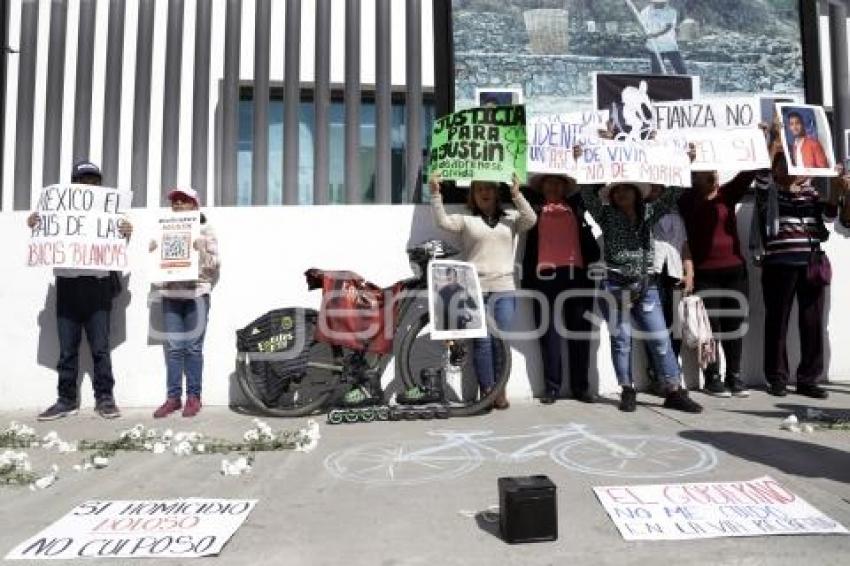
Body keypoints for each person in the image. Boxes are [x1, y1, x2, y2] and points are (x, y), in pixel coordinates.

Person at [581, 176, 703, 414]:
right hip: (615, 286)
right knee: (621, 341)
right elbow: (587, 195)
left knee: (660, 339)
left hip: (646, 286)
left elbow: (672, 196)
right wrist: (581, 165)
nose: (621, 194)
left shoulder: (649, 212)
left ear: (637, 194)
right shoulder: (606, 215)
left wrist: (683, 165)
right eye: (616, 191)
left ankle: (673, 391)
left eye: (627, 189)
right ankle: (627, 389)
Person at [27, 161, 133, 420]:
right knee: (66, 349)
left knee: (100, 348)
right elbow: (46, 233)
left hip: (97, 285)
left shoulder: (110, 212)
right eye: (83, 180)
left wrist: (125, 232)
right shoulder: (57, 208)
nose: (88, 185)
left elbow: (115, 245)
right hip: (67, 285)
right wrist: (37, 224)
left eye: (93, 180)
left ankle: (105, 399)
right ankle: (66, 400)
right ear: (73, 184)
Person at [430, 172, 537, 410]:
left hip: (505, 289)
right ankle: (487, 391)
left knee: (501, 342)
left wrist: (517, 194)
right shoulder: (467, 220)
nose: (485, 193)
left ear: (496, 192)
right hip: (475, 289)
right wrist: (436, 193)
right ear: (473, 195)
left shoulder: (510, 218)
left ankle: (500, 390)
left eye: (489, 188)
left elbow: (531, 219)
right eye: (480, 189)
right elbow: (443, 222)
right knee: (482, 342)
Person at [755, 153, 838, 399]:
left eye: (794, 162)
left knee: (813, 324)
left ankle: (808, 379)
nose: (791, 168)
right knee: (777, 322)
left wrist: (835, 187)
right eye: (784, 164)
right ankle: (777, 379)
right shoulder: (769, 192)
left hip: (810, 264)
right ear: (777, 169)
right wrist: (772, 139)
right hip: (779, 264)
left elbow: (830, 215)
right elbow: (761, 177)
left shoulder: (810, 193)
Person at [678, 170, 760, 398]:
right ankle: (712, 376)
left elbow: (747, 174)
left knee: (734, 324)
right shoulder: (687, 199)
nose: (710, 174)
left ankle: (734, 375)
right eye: (703, 172)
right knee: (709, 327)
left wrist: (766, 139)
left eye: (711, 171)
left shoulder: (727, 194)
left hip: (735, 272)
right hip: (705, 273)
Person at [521, 173, 600, 405]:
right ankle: (552, 387)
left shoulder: (577, 206)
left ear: (566, 188)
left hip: (577, 275)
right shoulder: (533, 207)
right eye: (549, 182)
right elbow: (514, 192)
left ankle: (580, 387)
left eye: (559, 183)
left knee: (580, 332)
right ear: (541, 187)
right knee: (549, 334)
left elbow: (594, 183)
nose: (553, 186)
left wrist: (578, 163)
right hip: (545, 277)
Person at [149, 187, 220, 418]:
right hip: (171, 296)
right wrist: (153, 252)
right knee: (174, 349)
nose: (178, 204)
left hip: (196, 295)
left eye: (184, 200)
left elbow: (214, 265)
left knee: (193, 348)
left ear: (195, 205)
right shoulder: (163, 229)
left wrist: (201, 250)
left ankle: (193, 397)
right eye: (175, 201)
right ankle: (173, 398)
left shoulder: (206, 230)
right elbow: (156, 262)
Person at [641, 186, 693, 395]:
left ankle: (672, 374)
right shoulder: (644, 210)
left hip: (674, 271)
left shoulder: (675, 211)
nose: (657, 189)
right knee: (655, 327)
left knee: (676, 327)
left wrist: (689, 271)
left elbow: (684, 244)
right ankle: (657, 375)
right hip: (652, 272)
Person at [641, 0, 687, 75]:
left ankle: (685, 84)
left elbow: (668, 27)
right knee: (656, 72)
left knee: (680, 70)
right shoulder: (645, 12)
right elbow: (643, 26)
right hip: (654, 46)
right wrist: (645, 35)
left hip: (669, 45)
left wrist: (654, 34)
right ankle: (657, 85)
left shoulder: (671, 12)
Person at [435, 267, 478, 332]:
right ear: (447, 278)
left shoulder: (462, 290)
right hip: (446, 326)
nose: (451, 279)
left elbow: (474, 307)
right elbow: (437, 310)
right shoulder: (442, 292)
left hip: (460, 326)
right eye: (449, 277)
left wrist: (468, 298)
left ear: (456, 277)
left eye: (452, 276)